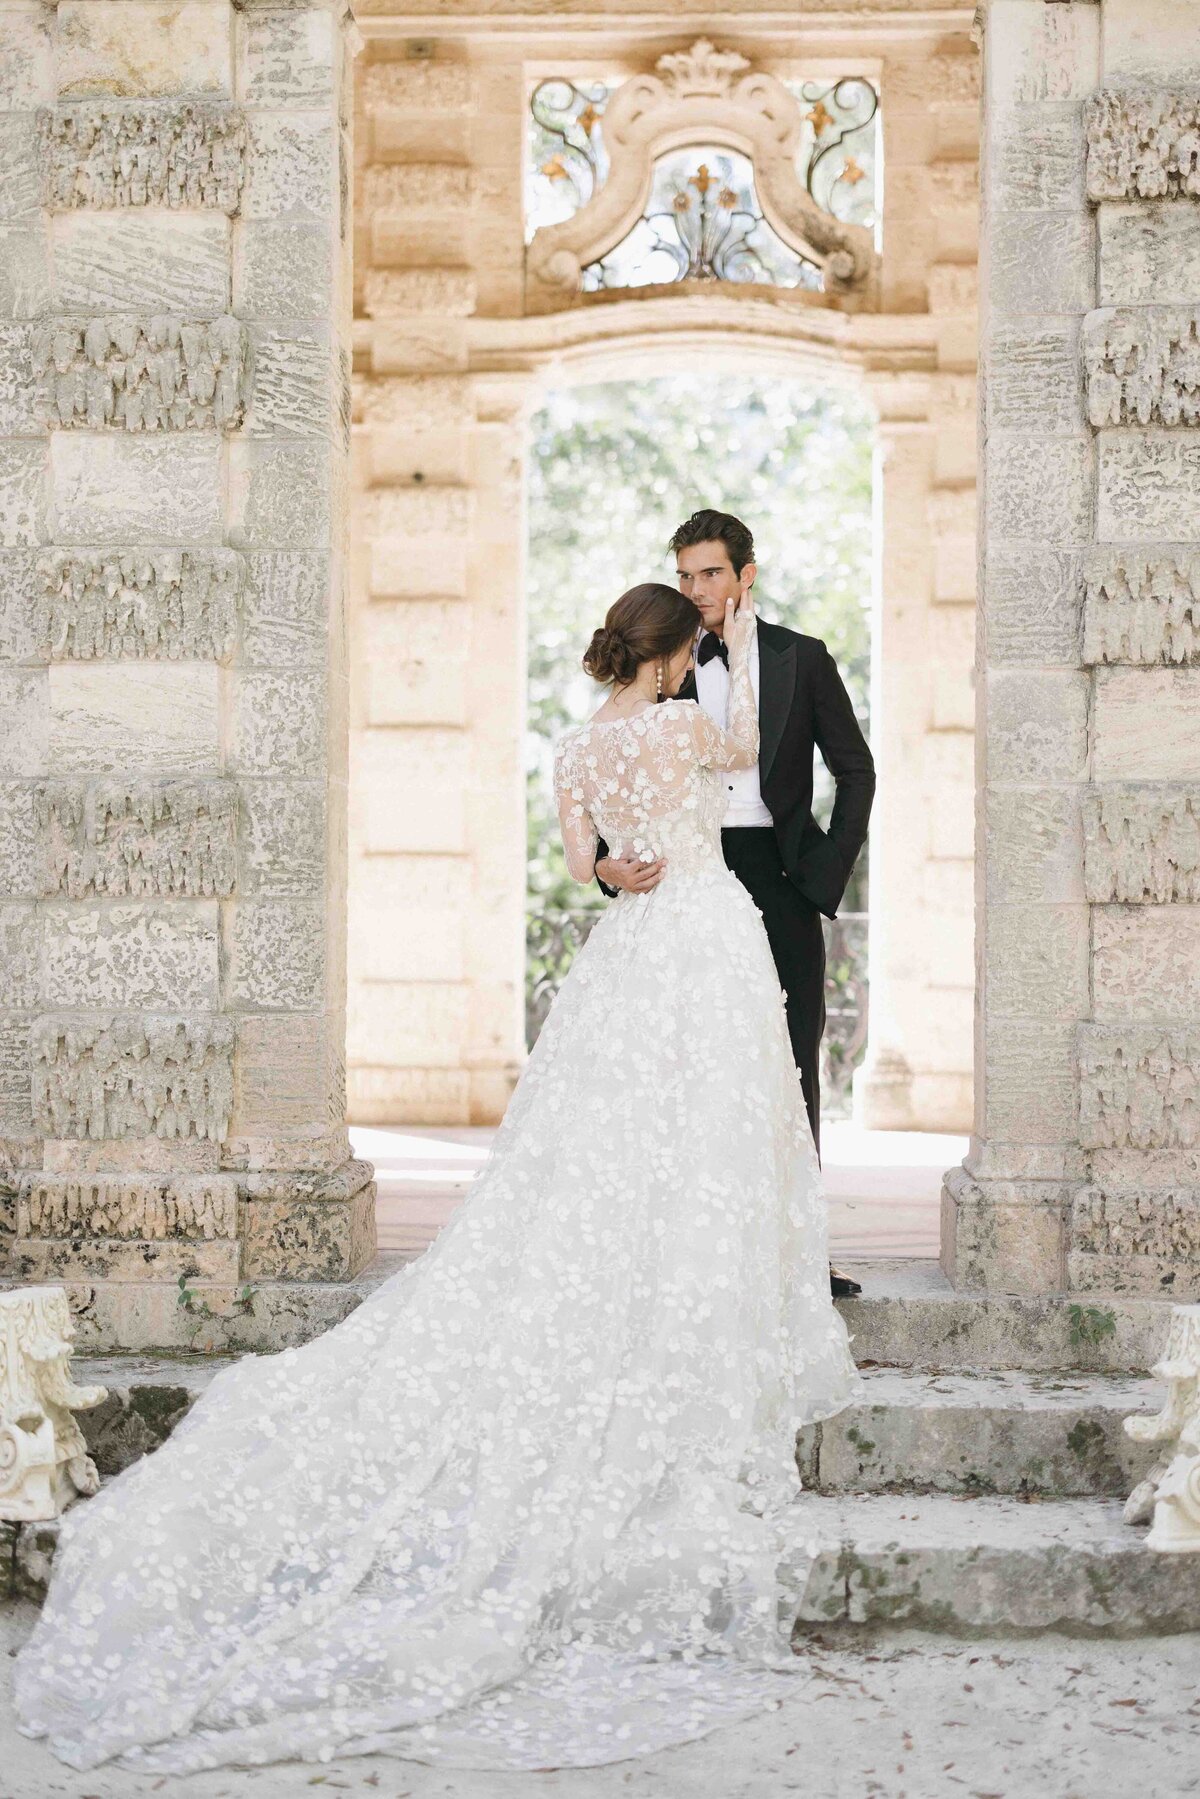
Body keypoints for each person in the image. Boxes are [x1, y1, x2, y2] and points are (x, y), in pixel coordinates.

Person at [13, 581, 861, 1778]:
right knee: (715, 1136)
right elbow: (747, 756)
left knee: (601, 1145)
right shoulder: (687, 723)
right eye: (687, 650)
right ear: (674, 655)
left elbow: (593, 867)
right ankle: (696, 1313)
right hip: (711, 939)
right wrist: (727, 651)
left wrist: (625, 869)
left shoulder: (578, 747)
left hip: (632, 950)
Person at [595, 511, 875, 1299]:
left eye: (709, 574)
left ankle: (799, 1256)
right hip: (681, 876)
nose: (694, 590)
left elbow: (857, 770)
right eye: (683, 575)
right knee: (676, 1063)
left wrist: (822, 874)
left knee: (790, 1060)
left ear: (746, 574)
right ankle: (682, 1253)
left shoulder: (803, 659)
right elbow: (602, 771)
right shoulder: (653, 662)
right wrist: (602, 864)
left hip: (777, 874)